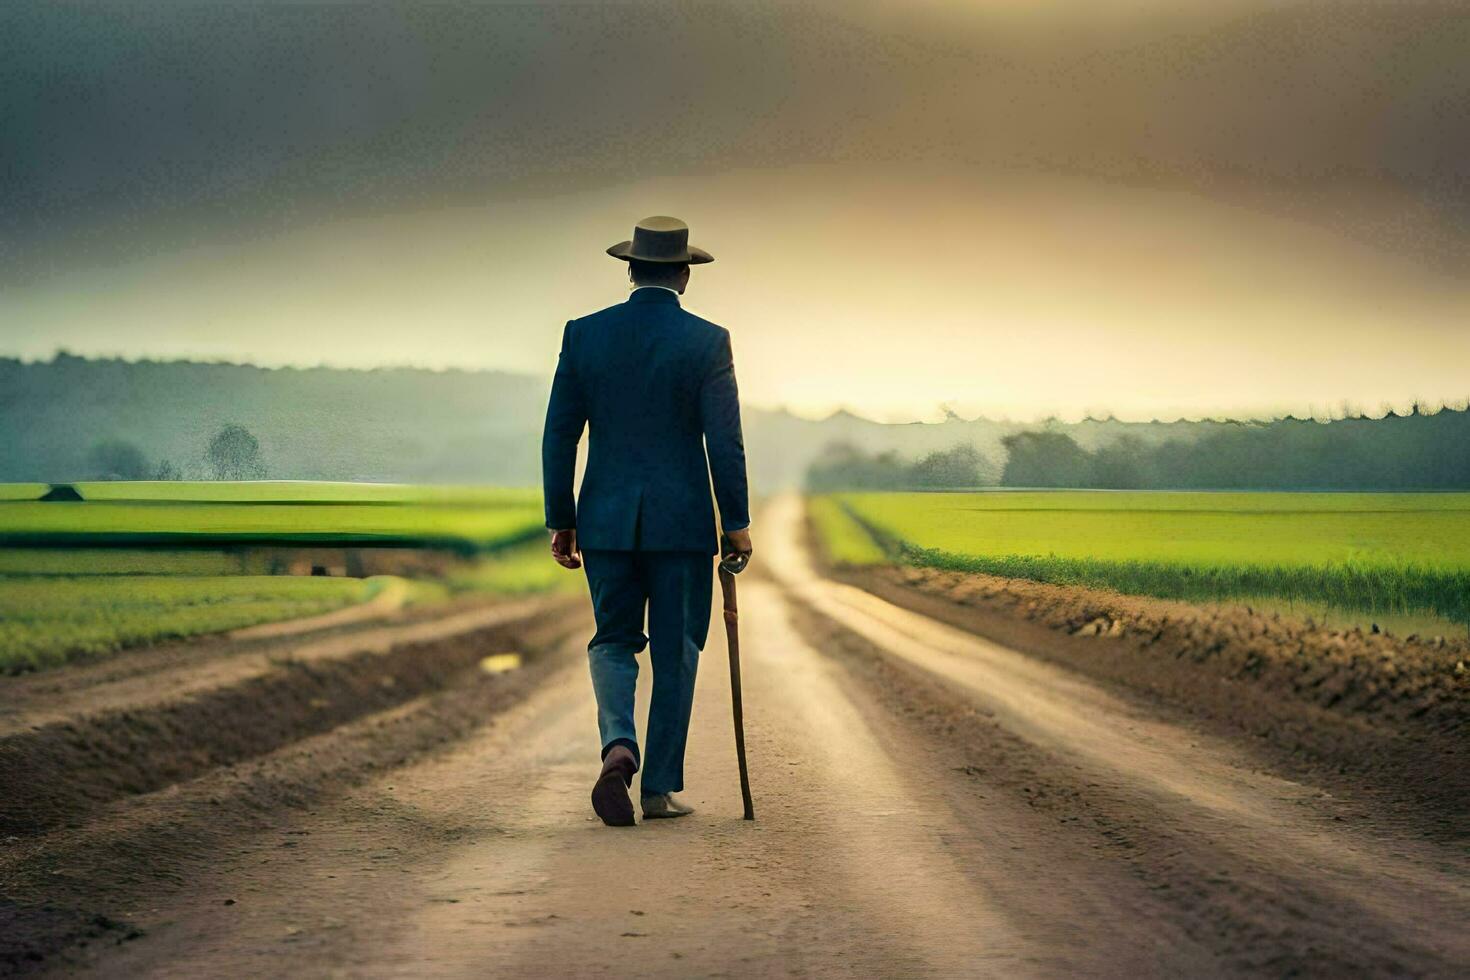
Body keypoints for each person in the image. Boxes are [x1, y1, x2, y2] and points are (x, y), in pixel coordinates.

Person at [541, 215, 753, 827]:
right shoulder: (708, 342)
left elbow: (560, 434)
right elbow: (726, 442)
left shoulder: (583, 335)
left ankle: (618, 746)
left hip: (604, 520)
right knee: (677, 650)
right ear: (684, 275)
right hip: (682, 525)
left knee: (612, 639)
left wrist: (563, 516)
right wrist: (734, 520)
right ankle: (658, 788)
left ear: (630, 269)